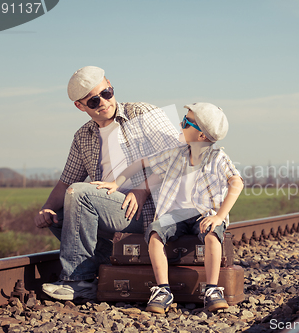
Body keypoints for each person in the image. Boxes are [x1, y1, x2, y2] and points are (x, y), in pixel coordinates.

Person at [34, 66, 179, 301]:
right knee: (57, 215)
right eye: (93, 101)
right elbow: (65, 182)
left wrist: (142, 189)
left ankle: (78, 281)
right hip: (110, 209)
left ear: (110, 85)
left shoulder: (142, 112)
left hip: (147, 211)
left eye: (106, 93)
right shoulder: (83, 135)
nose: (102, 102)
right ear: (80, 106)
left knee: (80, 194)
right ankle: (105, 260)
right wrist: (46, 209)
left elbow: (180, 157)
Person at [93, 102, 244, 313]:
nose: (181, 124)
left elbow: (236, 183)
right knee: (155, 232)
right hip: (175, 215)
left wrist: (220, 216)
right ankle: (163, 290)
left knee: (212, 235)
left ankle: (212, 289)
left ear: (201, 136)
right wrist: (116, 183)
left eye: (186, 122)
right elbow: (141, 163)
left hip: (205, 214)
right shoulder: (176, 154)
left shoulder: (218, 158)